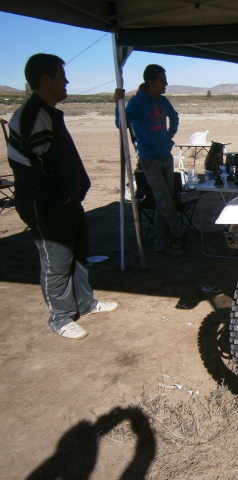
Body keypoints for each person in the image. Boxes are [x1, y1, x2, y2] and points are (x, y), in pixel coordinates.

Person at [7, 54, 118, 340]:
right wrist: (61, 195)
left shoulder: (48, 112)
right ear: (46, 80)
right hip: (45, 202)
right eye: (61, 76)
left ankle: (85, 303)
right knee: (57, 260)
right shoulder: (32, 114)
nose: (66, 81)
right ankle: (60, 317)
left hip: (65, 201)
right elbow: (26, 166)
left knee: (78, 253)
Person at [114, 64, 183, 256]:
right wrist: (117, 105)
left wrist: (170, 133)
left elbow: (174, 116)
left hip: (165, 157)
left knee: (165, 202)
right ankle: (178, 234)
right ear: (151, 82)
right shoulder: (136, 103)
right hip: (149, 160)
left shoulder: (162, 101)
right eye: (162, 80)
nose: (166, 84)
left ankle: (162, 244)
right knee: (165, 201)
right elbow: (122, 123)